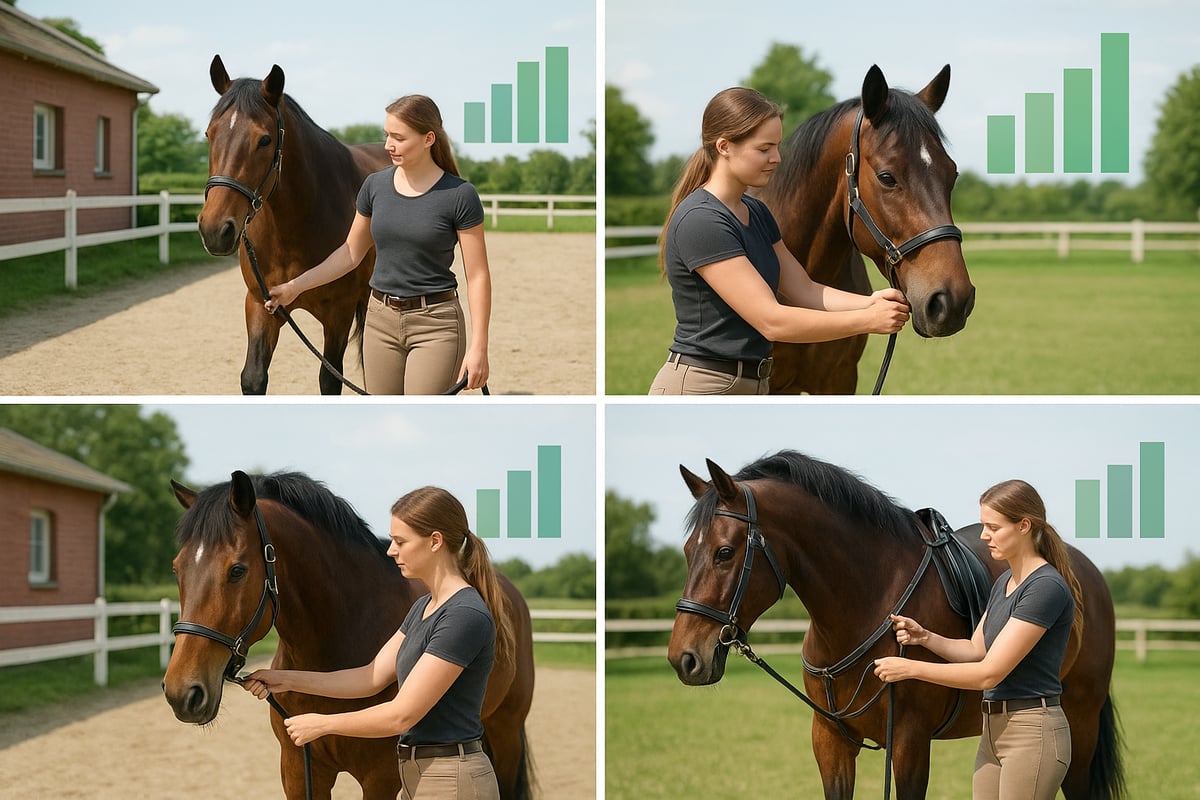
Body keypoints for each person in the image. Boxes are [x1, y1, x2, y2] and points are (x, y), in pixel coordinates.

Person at [243, 486, 515, 800]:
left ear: (435, 541)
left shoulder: (463, 615)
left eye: (400, 541)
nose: (390, 550)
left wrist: (322, 724)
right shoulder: (424, 607)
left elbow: (402, 714)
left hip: (451, 780)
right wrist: (284, 680)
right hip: (416, 777)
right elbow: (370, 677)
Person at [648, 86, 911, 395]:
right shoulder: (702, 220)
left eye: (777, 146)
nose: (777, 158)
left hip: (753, 384)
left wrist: (871, 301)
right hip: (704, 386)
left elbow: (804, 290)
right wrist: (867, 320)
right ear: (724, 147)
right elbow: (771, 320)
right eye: (764, 149)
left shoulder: (757, 212)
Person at [873, 480, 1084, 800]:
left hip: (1032, 733)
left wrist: (910, 668)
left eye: (993, 527)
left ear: (1024, 526)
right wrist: (925, 637)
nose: (984, 535)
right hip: (993, 732)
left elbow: (989, 672)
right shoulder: (1005, 583)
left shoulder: (1044, 588)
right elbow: (975, 649)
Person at [265, 95, 491, 394]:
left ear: (428, 139)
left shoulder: (459, 195)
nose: (388, 145)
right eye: (387, 135)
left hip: (435, 325)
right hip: (380, 322)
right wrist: (295, 287)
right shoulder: (375, 186)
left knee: (420, 424)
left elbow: (477, 276)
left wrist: (479, 348)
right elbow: (350, 253)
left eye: (398, 137)